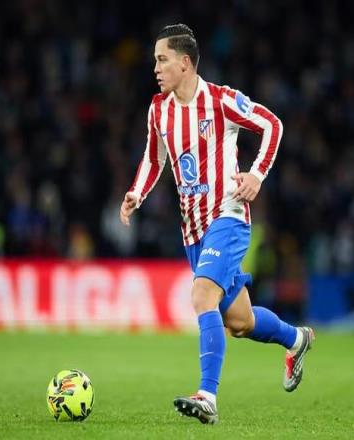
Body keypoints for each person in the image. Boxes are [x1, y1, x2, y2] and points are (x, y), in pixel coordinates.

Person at [119, 24, 314, 425]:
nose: (155, 68)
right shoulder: (159, 109)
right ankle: (297, 339)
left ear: (185, 63)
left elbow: (272, 125)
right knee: (240, 321)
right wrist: (137, 193)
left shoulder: (221, 101)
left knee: (202, 295)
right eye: (155, 60)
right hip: (193, 230)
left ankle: (207, 396)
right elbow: (155, 158)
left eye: (162, 59)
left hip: (227, 216)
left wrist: (256, 174)